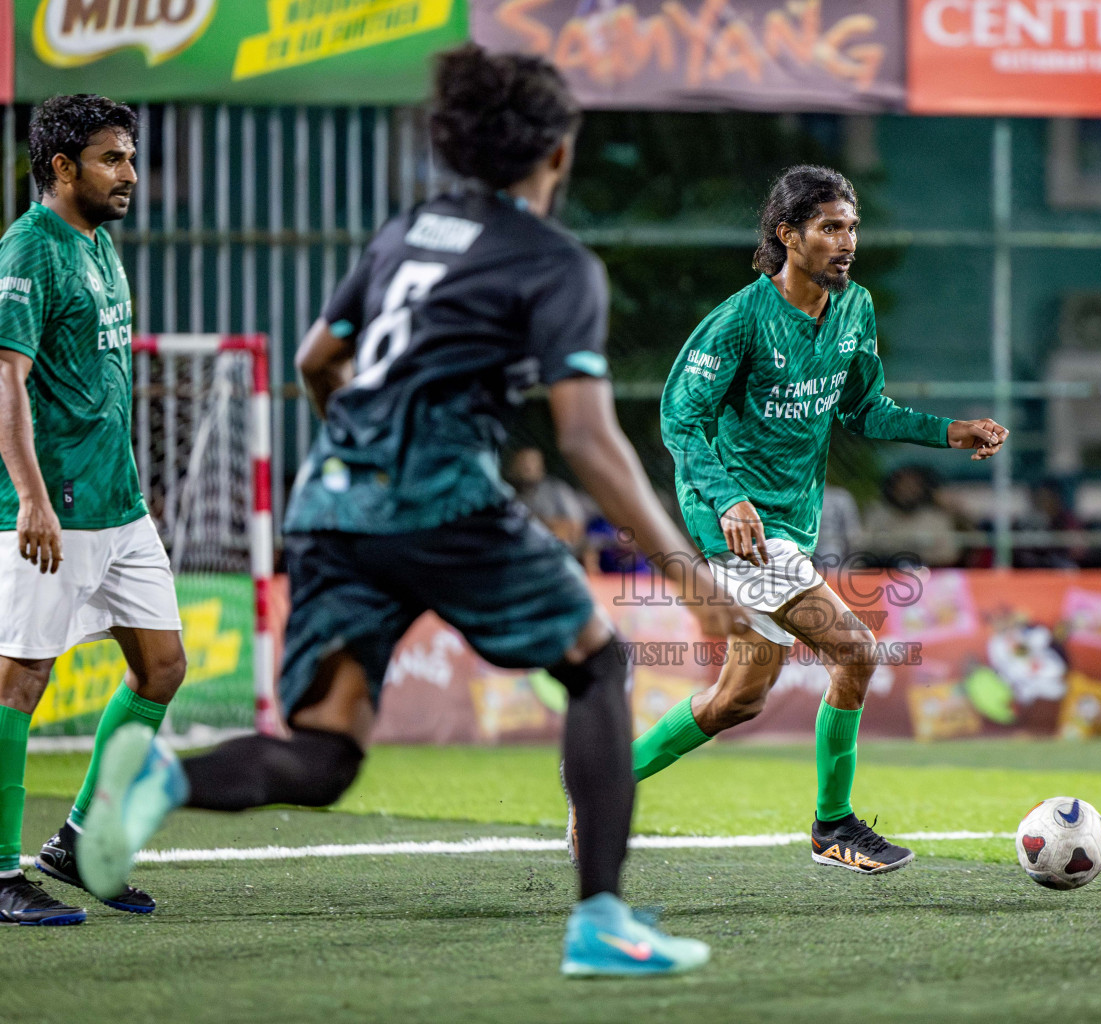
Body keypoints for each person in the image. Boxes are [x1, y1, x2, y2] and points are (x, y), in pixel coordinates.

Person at [77, 47, 747, 977]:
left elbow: (317, 361)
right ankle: (601, 921)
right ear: (556, 153)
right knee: (599, 666)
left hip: (328, 499)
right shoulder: (557, 265)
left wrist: (361, 464)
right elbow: (589, 442)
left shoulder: (408, 228)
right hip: (440, 495)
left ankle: (162, 774)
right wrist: (691, 576)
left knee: (324, 755)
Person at [621, 165, 1007, 875]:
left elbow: (865, 409)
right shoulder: (739, 320)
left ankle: (603, 782)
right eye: (830, 226)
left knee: (738, 700)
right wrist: (729, 498)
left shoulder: (853, 308)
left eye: (852, 226)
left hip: (790, 527)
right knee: (855, 650)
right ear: (787, 235)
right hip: (737, 526)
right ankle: (834, 827)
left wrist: (950, 432)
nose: (846, 240)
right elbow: (681, 424)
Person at [0, 95, 189, 926]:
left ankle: (78, 842)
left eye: (133, 157)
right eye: (114, 159)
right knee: (21, 678)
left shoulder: (99, 246)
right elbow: (5, 380)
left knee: (162, 669)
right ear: (63, 166)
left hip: (121, 507)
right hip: (54, 510)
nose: (131, 175)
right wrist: (33, 499)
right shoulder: (29, 249)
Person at [862, 466, 963, 568]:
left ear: (922, 488)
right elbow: (863, 549)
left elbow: (949, 555)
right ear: (893, 487)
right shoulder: (877, 515)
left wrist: (917, 558)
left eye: (913, 486)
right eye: (903, 485)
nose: (908, 491)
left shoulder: (936, 519)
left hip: (928, 573)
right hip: (883, 573)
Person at [505, 444, 590, 553]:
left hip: (557, 551)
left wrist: (544, 524)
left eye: (531, 462)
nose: (527, 467)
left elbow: (575, 525)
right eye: (522, 463)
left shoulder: (557, 489)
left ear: (541, 466)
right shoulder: (507, 493)